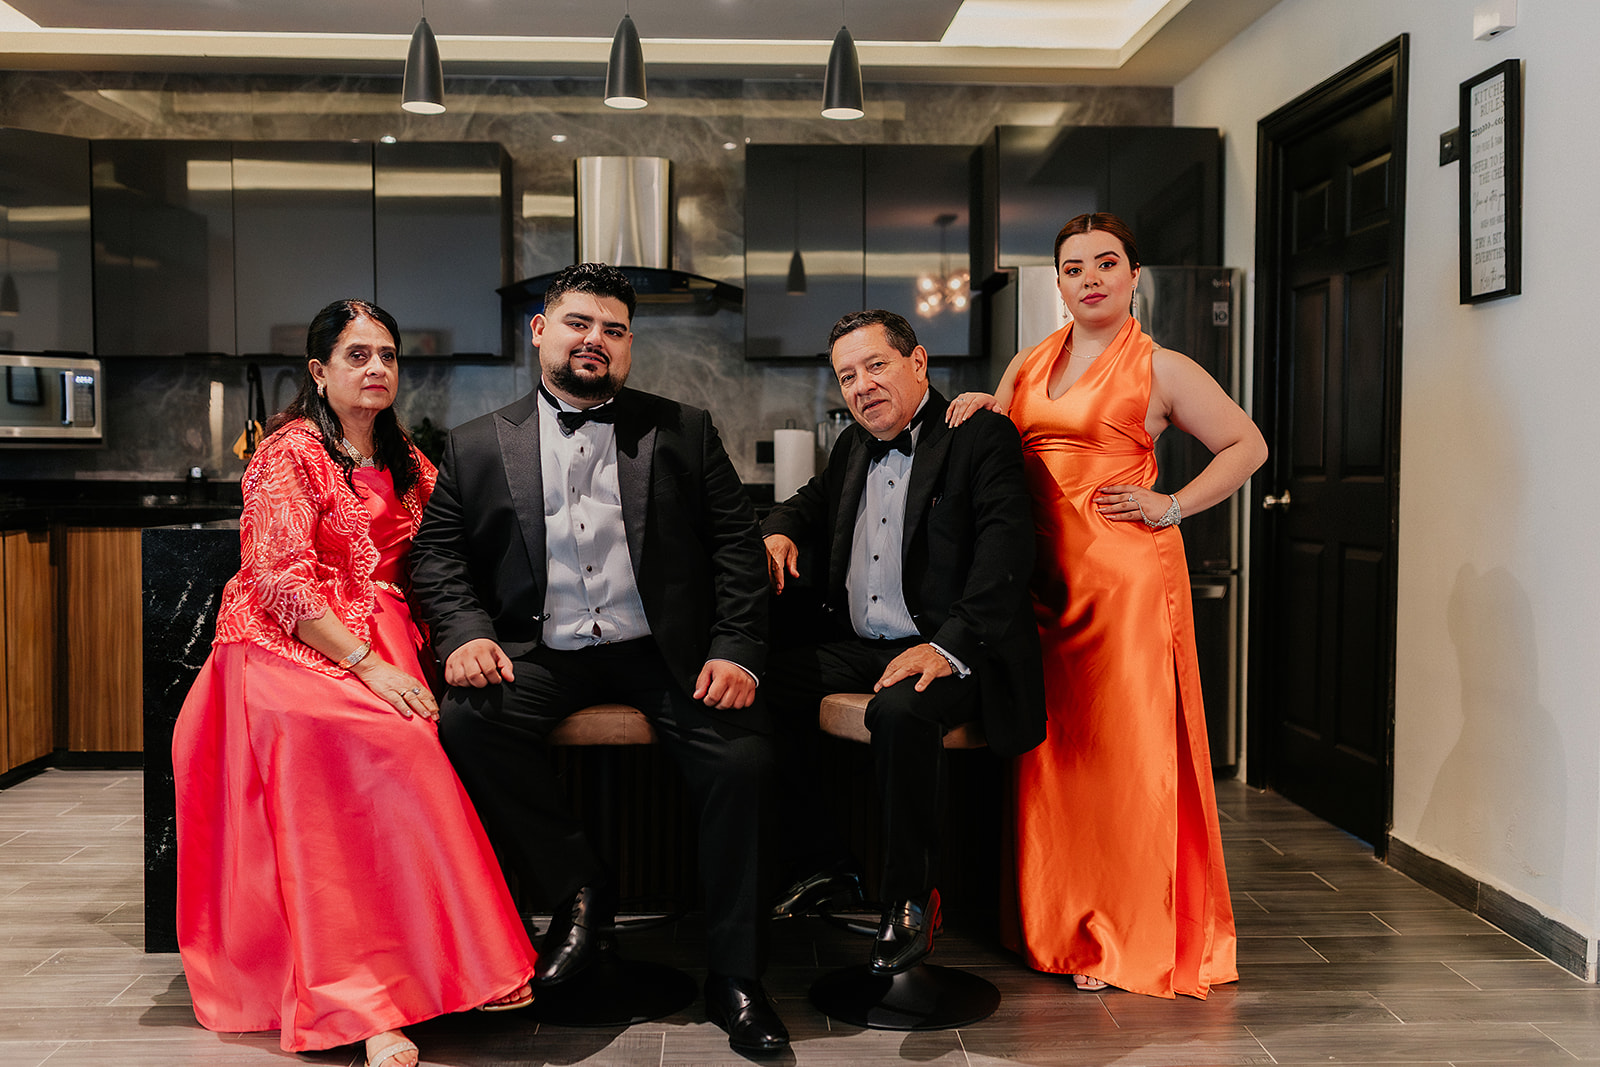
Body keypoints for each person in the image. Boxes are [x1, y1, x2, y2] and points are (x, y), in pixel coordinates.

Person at [409, 263, 788, 1055]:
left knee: (743, 760)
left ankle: (736, 976)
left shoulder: (684, 428)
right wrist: (466, 631)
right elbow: (437, 556)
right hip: (543, 650)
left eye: (614, 329)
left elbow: (736, 545)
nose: (596, 340)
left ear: (629, 345)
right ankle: (580, 887)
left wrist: (736, 649)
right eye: (580, 323)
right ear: (540, 331)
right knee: (469, 722)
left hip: (662, 653)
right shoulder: (476, 444)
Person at [172, 299, 537, 1067]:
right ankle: (365, 1003)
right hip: (288, 647)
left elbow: (454, 541)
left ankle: (450, 970)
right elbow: (277, 577)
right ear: (319, 370)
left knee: (427, 740)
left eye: (388, 355)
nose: (377, 368)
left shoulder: (405, 454)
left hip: (388, 635)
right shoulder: (288, 452)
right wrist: (366, 664)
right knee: (376, 742)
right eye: (357, 355)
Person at [946, 213, 1267, 998]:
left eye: (1106, 263)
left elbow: (1248, 445)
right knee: (1054, 755)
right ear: (1058, 282)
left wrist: (1172, 505)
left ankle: (1117, 933)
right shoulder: (1028, 362)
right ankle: (1057, 922)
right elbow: (1005, 452)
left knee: (1122, 760)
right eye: (1074, 267)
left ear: (1133, 276)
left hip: (1125, 588)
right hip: (1041, 588)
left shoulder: (1162, 366)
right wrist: (984, 405)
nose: (1089, 278)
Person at [762, 309, 1045, 974]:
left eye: (875, 365)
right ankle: (827, 864)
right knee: (756, 685)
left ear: (918, 363)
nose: (861, 386)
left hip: (959, 649)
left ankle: (910, 902)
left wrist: (946, 647)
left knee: (901, 709)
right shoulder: (853, 445)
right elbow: (806, 502)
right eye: (847, 376)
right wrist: (778, 529)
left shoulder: (979, 435)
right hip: (863, 643)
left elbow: (1006, 553)